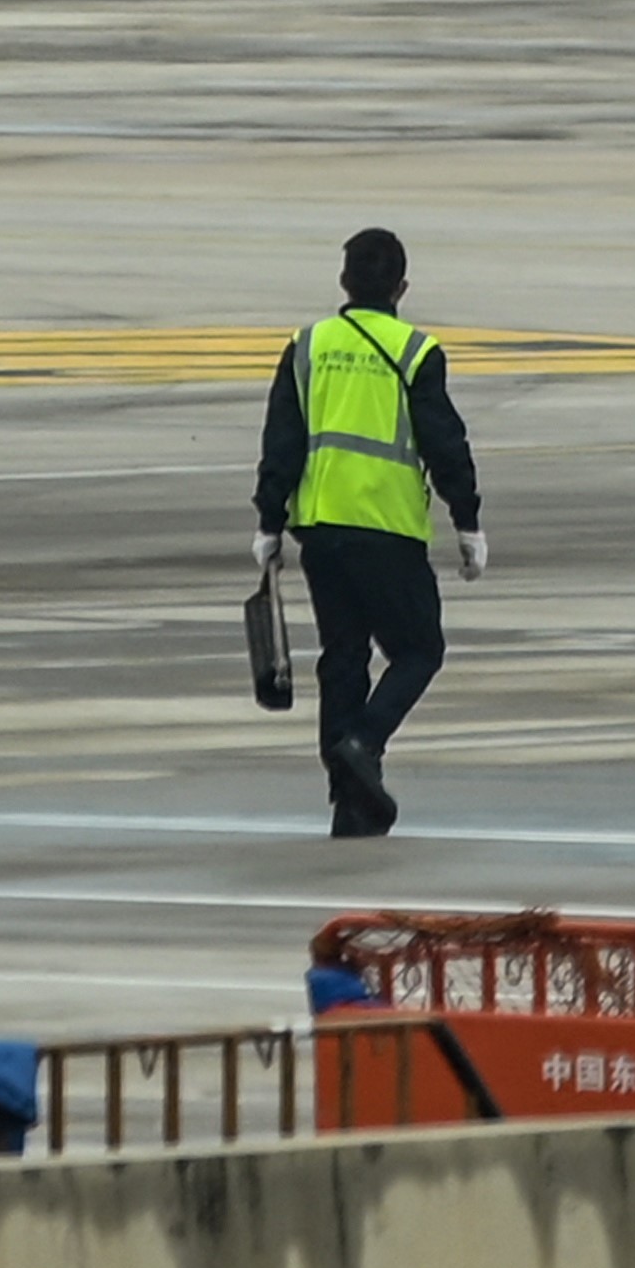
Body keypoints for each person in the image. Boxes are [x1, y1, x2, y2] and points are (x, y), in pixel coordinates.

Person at [252, 224, 489, 840]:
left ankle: (349, 801)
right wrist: (466, 519)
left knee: (343, 658)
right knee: (419, 650)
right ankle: (363, 741)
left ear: (344, 282)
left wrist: (268, 521)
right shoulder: (416, 351)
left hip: (321, 530)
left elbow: (282, 439)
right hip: (386, 528)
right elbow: (444, 441)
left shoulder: (309, 345)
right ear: (402, 286)